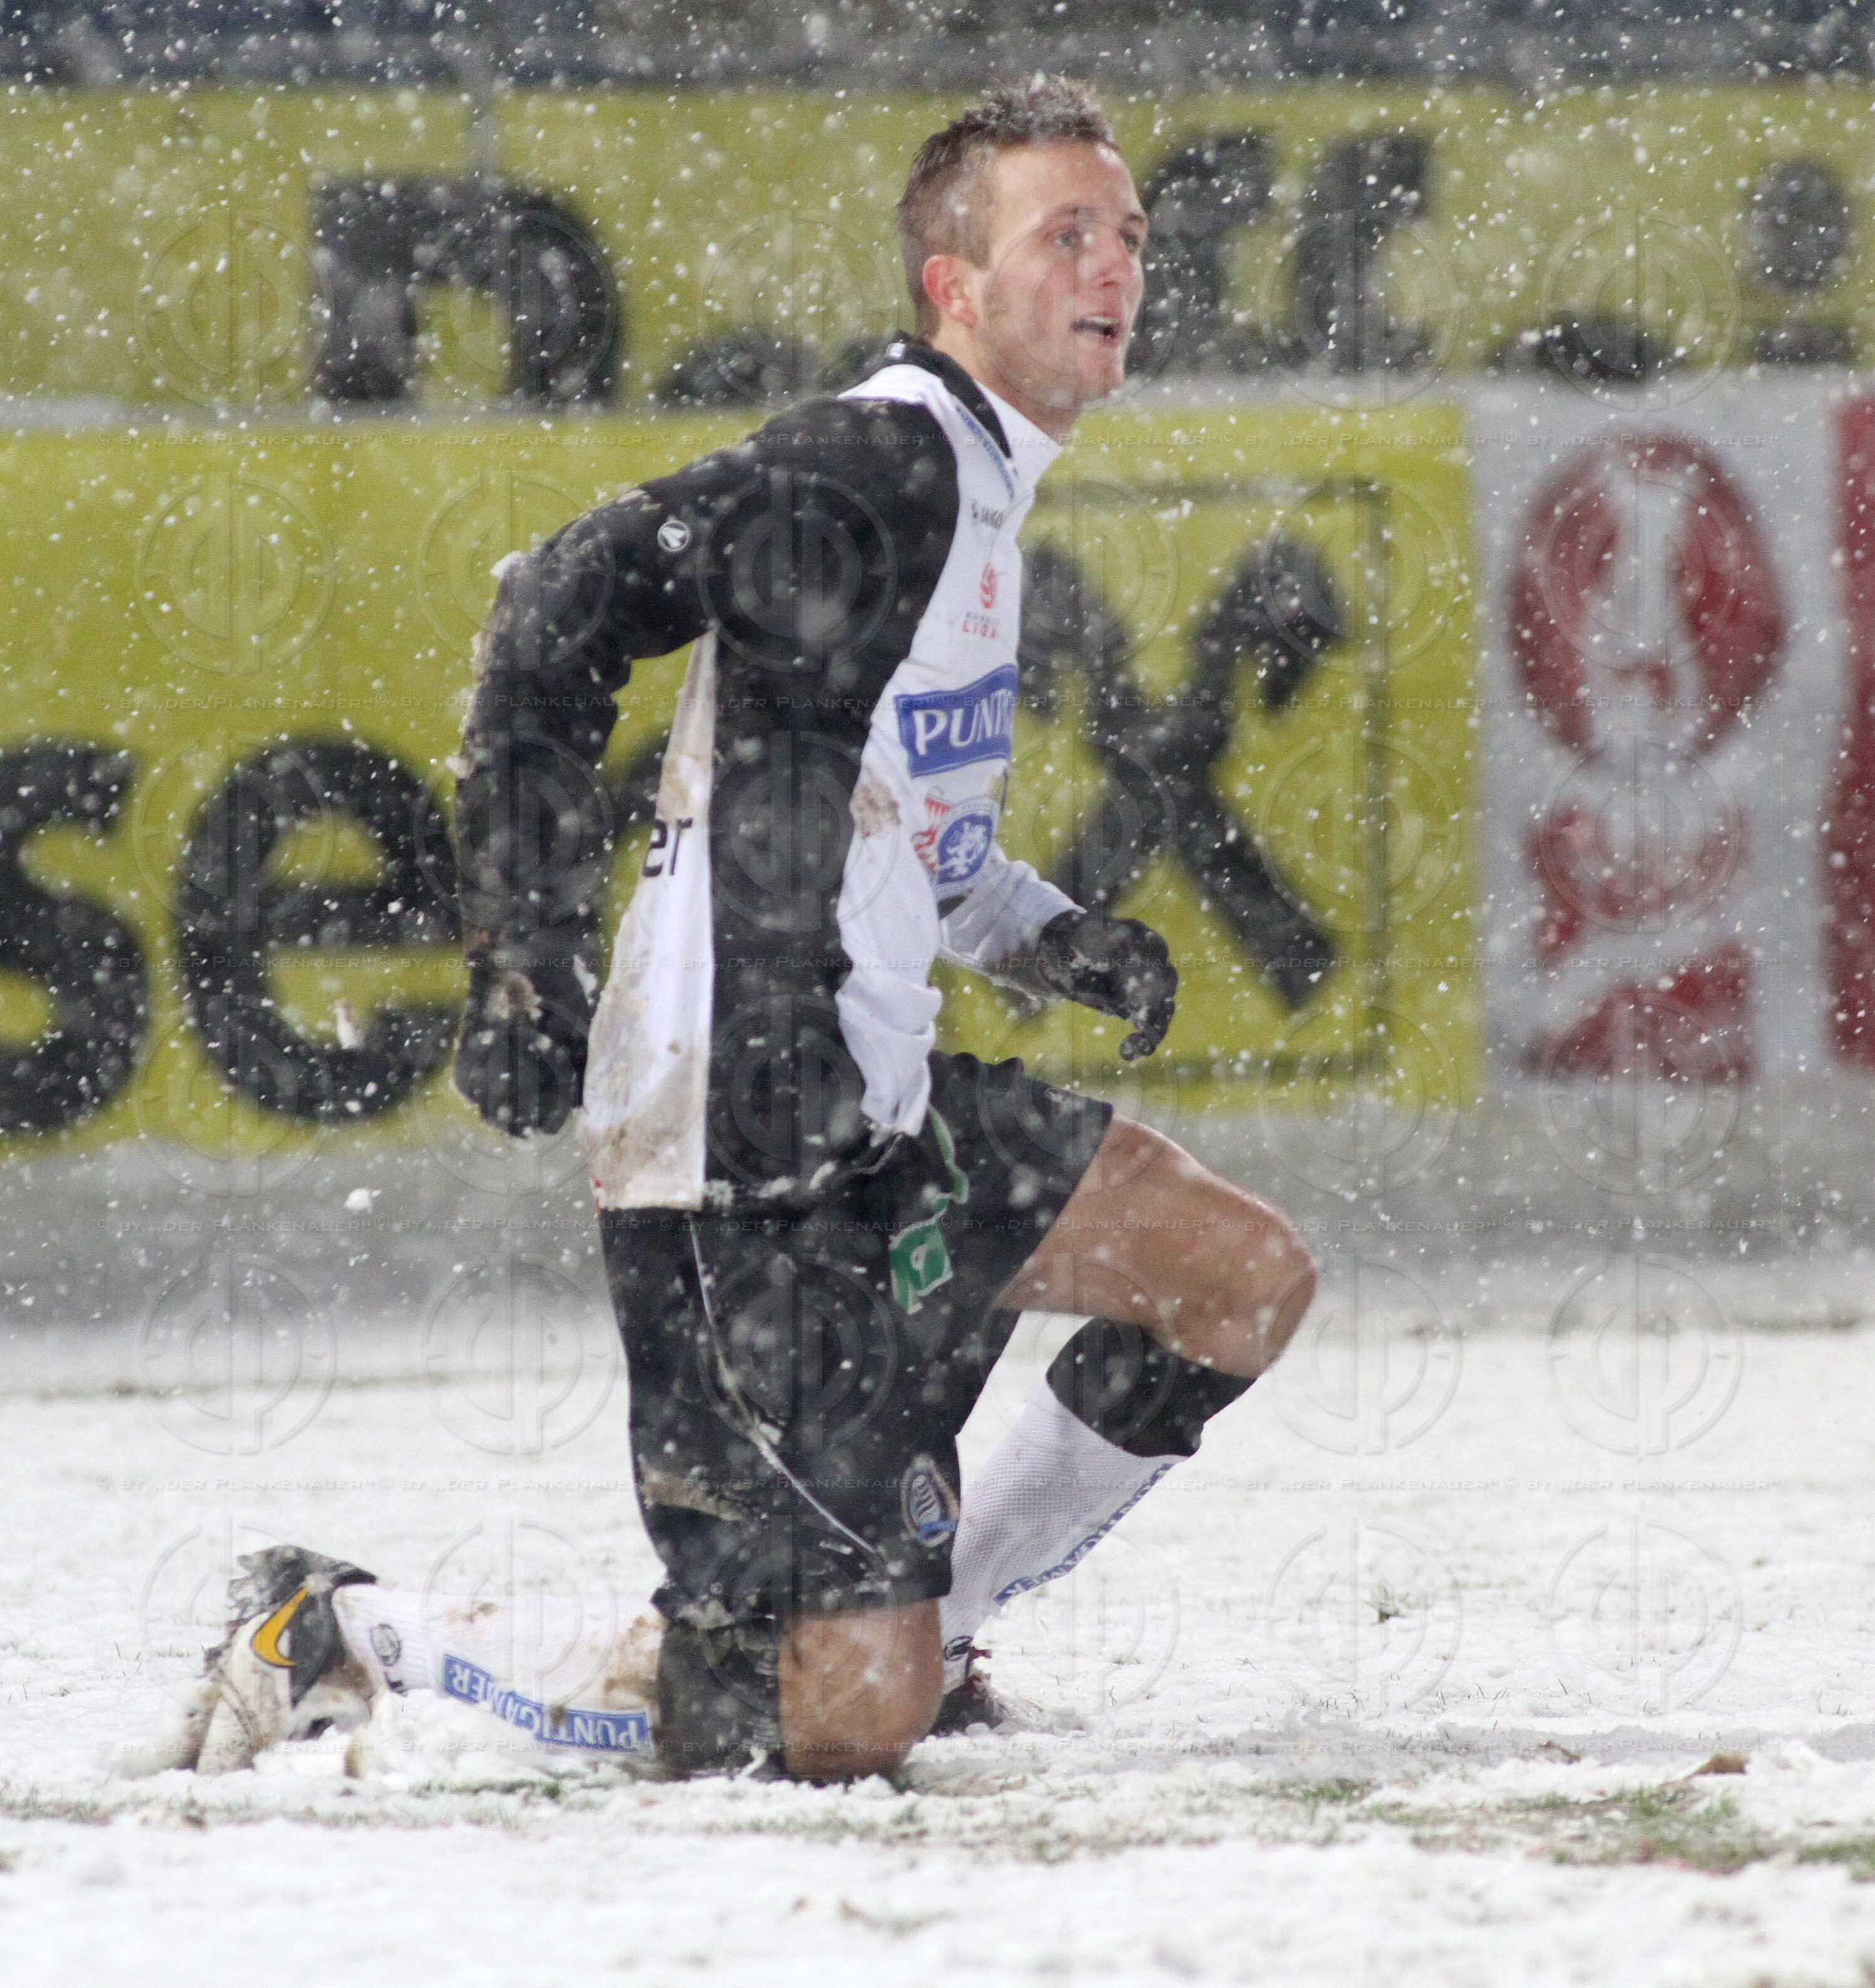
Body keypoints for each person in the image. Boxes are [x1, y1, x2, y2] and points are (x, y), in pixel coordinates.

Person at [148, 75, 1316, 1786]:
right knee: (818, 1734)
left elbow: (903, 830)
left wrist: (1054, 936)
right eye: (1062, 232)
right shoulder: (881, 457)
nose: (1115, 264)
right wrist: (521, 961)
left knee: (1238, 1281)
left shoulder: (975, 484)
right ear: (951, 285)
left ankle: (933, 1616)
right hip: (745, 1156)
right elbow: (550, 607)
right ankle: (339, 1632)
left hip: (874, 1113)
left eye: (1127, 234)